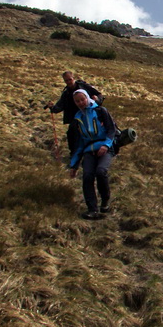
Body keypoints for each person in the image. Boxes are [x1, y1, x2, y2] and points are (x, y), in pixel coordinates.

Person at [67, 89, 116, 219]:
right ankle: (92, 209)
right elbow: (78, 144)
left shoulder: (101, 111)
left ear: (87, 98)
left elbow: (112, 130)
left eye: (82, 99)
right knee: (87, 176)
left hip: (106, 148)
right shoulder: (78, 118)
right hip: (88, 150)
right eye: (77, 101)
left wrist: (106, 145)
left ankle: (105, 200)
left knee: (101, 171)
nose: (81, 103)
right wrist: (74, 165)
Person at [45, 71, 103, 156]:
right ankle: (74, 155)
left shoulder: (84, 87)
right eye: (66, 81)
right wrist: (52, 108)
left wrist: (97, 99)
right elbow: (59, 106)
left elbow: (99, 95)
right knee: (71, 134)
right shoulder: (66, 93)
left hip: (90, 115)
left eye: (70, 79)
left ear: (74, 78)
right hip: (75, 119)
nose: (69, 82)